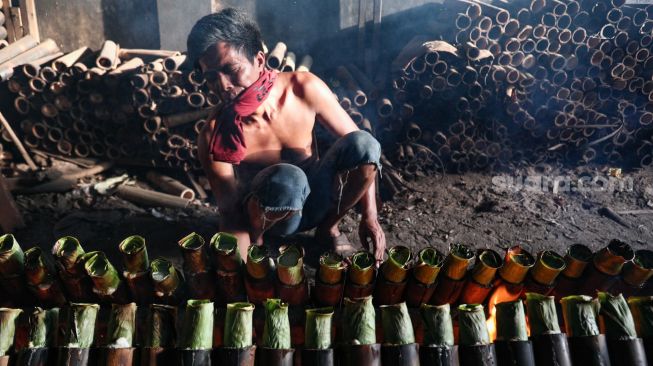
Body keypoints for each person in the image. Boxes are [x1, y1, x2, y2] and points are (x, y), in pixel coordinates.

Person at [187, 8, 386, 264]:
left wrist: (370, 216)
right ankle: (261, 243)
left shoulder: (303, 88)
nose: (223, 85)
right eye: (212, 77)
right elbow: (230, 213)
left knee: (364, 143)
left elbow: (363, 151)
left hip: (319, 202)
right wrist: (242, 265)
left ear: (259, 60)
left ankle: (328, 230)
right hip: (271, 221)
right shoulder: (215, 134)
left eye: (231, 69)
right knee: (287, 178)